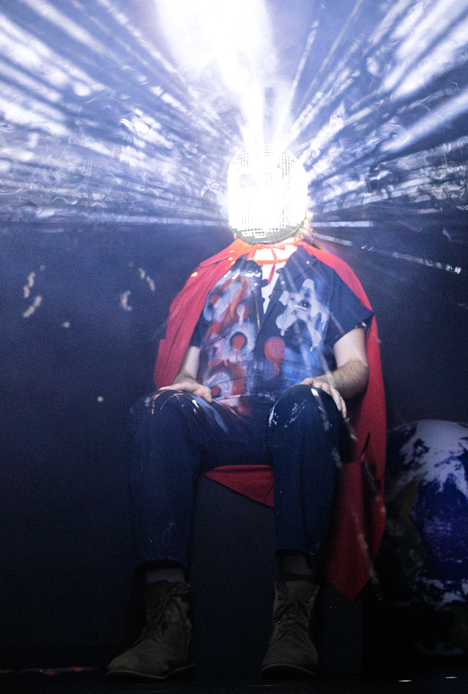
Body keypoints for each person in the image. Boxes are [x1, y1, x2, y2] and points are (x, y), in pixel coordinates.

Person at [106, 214, 385, 681]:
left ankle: (293, 622)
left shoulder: (326, 273)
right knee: (157, 409)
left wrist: (325, 383)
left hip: (295, 416)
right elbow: (186, 370)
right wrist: (185, 384)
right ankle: (165, 627)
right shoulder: (215, 276)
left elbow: (356, 366)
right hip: (225, 415)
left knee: (303, 406)